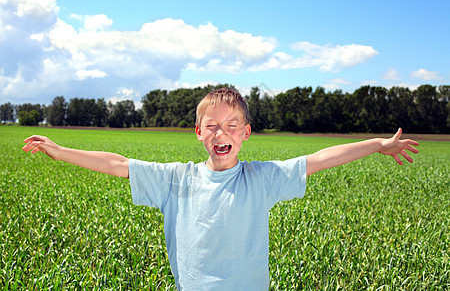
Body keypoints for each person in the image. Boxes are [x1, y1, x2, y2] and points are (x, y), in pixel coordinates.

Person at [22, 88, 419, 290]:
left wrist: (377, 145)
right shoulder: (175, 178)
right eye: (212, 126)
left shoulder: (262, 179)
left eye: (232, 126)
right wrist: (61, 152)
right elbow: (118, 164)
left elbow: (321, 157)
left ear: (245, 134)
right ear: (198, 133)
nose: (221, 133)